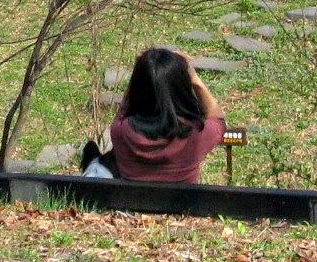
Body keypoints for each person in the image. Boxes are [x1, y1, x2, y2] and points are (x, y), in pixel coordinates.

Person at [80, 46, 225, 183]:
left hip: (133, 207)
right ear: (181, 88)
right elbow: (217, 118)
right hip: (182, 208)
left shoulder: (121, 131)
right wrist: (194, 78)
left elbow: (126, 107)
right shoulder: (197, 135)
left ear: (138, 89)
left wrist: (141, 72)